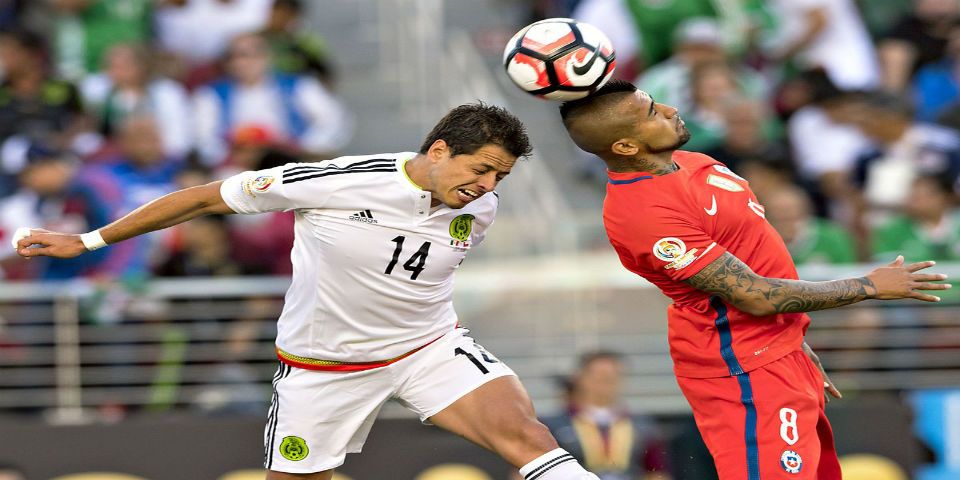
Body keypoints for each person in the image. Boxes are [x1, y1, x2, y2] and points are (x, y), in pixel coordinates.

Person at [13, 103, 602, 480]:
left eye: (500, 177)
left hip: (427, 349)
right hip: (324, 366)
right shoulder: (337, 181)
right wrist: (89, 241)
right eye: (482, 169)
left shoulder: (481, 207)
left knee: (527, 436)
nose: (488, 186)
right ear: (440, 150)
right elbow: (200, 198)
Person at [558, 80, 950, 480]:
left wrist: (794, 339)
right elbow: (753, 295)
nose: (671, 108)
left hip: (779, 350)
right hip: (743, 368)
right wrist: (868, 286)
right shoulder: (641, 213)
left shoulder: (693, 162)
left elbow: (757, 256)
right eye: (652, 113)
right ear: (625, 146)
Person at [543, 351, 671, 480]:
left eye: (613, 376)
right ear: (580, 378)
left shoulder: (642, 424)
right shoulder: (554, 425)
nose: (606, 381)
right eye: (599, 376)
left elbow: (656, 472)